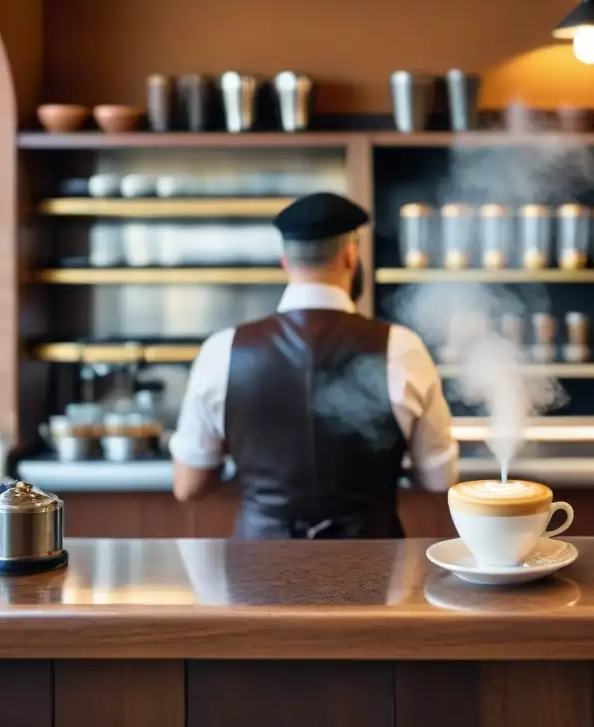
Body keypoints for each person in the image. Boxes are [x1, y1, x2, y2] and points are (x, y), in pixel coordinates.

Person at [169, 192, 458, 539]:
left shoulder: (222, 350)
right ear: (351, 256)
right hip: (374, 570)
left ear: (285, 263)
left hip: (257, 573)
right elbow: (440, 480)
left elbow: (189, 486)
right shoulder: (403, 347)